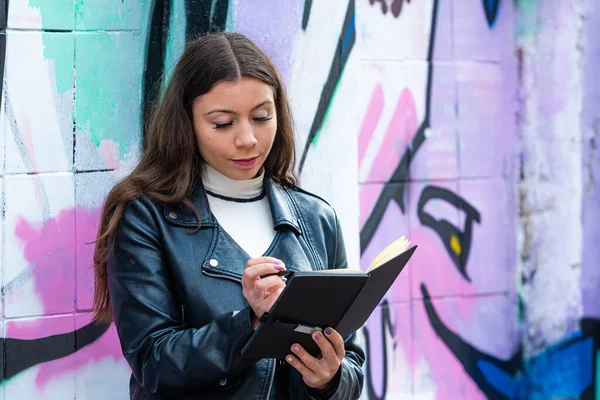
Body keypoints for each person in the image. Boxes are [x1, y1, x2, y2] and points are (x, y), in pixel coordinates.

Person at [91, 32, 365, 400]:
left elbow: (352, 364)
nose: (248, 139)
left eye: (262, 117)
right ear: (186, 123)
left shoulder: (317, 218)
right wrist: (248, 323)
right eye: (223, 123)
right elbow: (152, 363)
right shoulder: (145, 217)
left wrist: (329, 379)